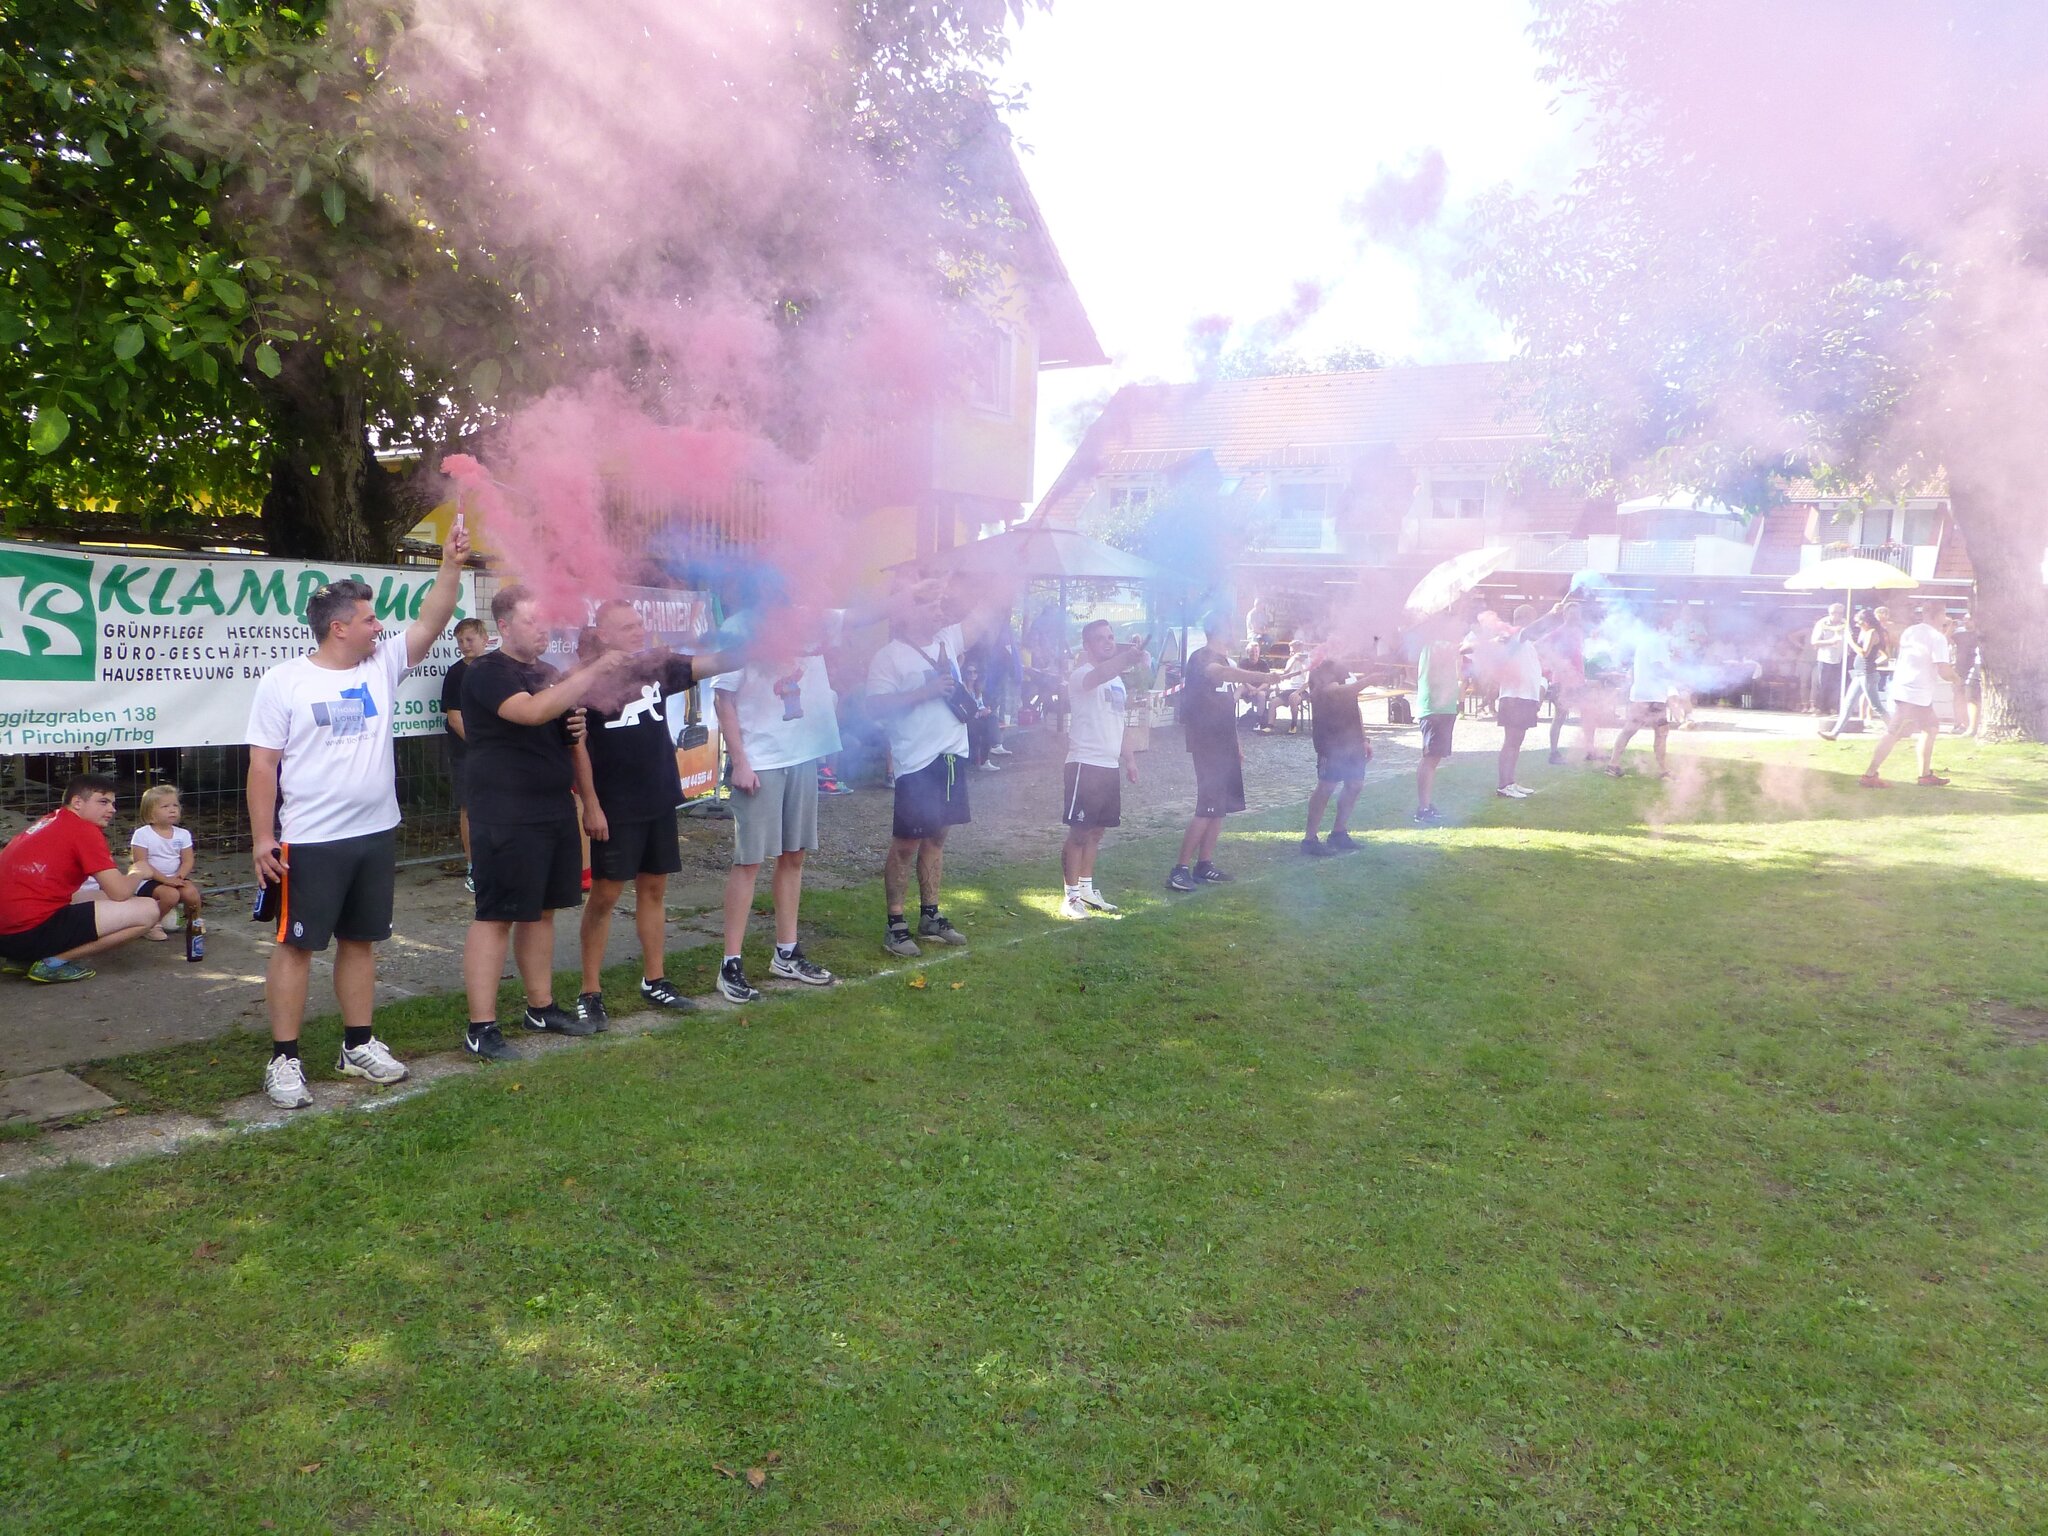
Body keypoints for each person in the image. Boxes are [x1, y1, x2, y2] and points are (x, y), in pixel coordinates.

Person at [245, 526, 471, 1108]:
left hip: (374, 833)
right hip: (311, 839)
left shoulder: (381, 664)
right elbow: (263, 765)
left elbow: (433, 620)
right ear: (338, 626)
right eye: (369, 620)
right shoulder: (285, 681)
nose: (380, 628)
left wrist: (449, 564)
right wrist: (263, 838)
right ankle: (285, 1059)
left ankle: (357, 1046)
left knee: (361, 941)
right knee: (297, 946)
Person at [459, 583, 635, 1061]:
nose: (543, 629)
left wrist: (571, 727)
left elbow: (562, 730)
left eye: (545, 620)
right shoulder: (487, 672)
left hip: (552, 807)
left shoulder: (549, 673)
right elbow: (531, 711)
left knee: (542, 911)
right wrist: (596, 668)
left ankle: (540, 1007)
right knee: (496, 915)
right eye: (533, 621)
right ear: (505, 626)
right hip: (504, 812)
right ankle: (481, 1026)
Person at [571, 598, 742, 1028]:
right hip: (615, 805)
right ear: (604, 633)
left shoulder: (655, 664)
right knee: (605, 897)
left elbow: (713, 662)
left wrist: (771, 642)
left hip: (658, 796)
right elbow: (578, 749)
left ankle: (655, 979)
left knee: (654, 891)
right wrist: (591, 804)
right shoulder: (585, 680)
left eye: (639, 623)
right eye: (627, 626)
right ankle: (590, 991)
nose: (638, 630)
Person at [712, 604, 843, 1002]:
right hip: (762, 759)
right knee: (749, 860)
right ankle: (729, 964)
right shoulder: (740, 625)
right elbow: (723, 698)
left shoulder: (815, 616)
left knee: (795, 855)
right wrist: (740, 761)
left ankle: (786, 952)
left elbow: (855, 622)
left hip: (801, 754)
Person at [865, 580, 997, 957]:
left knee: (938, 838)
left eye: (940, 605)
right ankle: (895, 926)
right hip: (916, 762)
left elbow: (981, 616)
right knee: (906, 844)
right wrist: (922, 693)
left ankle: (930, 916)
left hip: (951, 758)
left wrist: (1004, 571)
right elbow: (874, 707)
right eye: (929, 605)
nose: (938, 612)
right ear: (907, 611)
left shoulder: (947, 640)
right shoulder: (888, 656)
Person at [0, 774, 177, 983]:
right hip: (28, 931)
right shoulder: (84, 831)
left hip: (7, 935)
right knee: (148, 910)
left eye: (113, 803)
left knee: (101, 895)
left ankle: (20, 959)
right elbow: (119, 892)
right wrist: (137, 872)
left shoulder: (50, 820)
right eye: (103, 802)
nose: (112, 809)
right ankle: (52, 963)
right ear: (77, 802)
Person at [1169, 622, 1281, 888]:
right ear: (1219, 631)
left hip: (1224, 743)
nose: (1236, 634)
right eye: (1231, 628)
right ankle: (1178, 870)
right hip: (1207, 743)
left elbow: (1227, 707)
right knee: (1207, 806)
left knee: (1219, 808)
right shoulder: (1202, 658)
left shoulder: (1226, 659)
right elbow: (1220, 673)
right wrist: (1260, 677)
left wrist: (1236, 743)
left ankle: (1204, 864)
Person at [1058, 620, 1145, 917]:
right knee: (1079, 833)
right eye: (1100, 639)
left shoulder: (1117, 681)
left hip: (1109, 767)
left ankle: (1086, 889)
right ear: (1087, 645)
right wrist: (1128, 658)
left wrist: (1129, 760)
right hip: (1085, 763)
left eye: (1111, 637)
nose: (1108, 642)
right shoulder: (1082, 675)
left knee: (1097, 833)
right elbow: (1102, 673)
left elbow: (1120, 723)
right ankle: (1070, 898)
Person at [1861, 601, 1956, 789]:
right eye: (1944, 614)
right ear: (1939, 615)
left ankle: (1925, 775)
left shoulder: (1911, 631)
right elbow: (1944, 671)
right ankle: (1869, 775)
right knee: (1894, 732)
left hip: (1905, 687)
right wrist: (1958, 679)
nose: (1946, 618)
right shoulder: (1937, 638)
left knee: (1930, 728)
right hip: (1916, 693)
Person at [1302, 658, 1375, 854]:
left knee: (1355, 784)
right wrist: (1367, 681)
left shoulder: (1345, 669)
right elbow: (1334, 691)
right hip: (1330, 739)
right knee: (1326, 786)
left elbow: (1355, 706)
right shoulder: (1319, 668)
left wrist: (1364, 738)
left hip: (1352, 739)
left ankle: (1339, 833)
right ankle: (1310, 839)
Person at [1479, 605, 1549, 798]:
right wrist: (1550, 614)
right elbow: (1531, 630)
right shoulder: (1513, 635)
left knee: (1516, 742)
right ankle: (1503, 785)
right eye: (1532, 618)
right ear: (1525, 618)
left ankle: (1510, 782)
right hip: (1514, 698)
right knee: (1511, 742)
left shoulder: (1524, 642)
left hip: (1525, 698)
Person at [441, 616, 489, 892]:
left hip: (496, 752)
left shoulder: (495, 668)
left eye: (469, 639)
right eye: (460, 641)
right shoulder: (457, 673)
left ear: (485, 639)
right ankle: (474, 866)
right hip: (467, 753)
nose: (464, 645)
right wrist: (482, 746)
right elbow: (455, 719)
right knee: (469, 807)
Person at [1606, 614, 1678, 778]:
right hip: (1652, 696)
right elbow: (1657, 668)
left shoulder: (1646, 641)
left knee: (1629, 730)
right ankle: (1663, 771)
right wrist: (1677, 675)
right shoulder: (1656, 642)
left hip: (1641, 694)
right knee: (1661, 732)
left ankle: (1613, 764)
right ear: (1661, 625)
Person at [128, 783, 202, 942]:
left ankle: (193, 921)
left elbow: (188, 860)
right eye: (165, 806)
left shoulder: (182, 834)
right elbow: (141, 864)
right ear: (150, 814)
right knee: (170, 895)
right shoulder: (142, 834)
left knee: (192, 893)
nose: (173, 809)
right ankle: (151, 924)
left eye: (175, 805)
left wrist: (179, 877)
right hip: (149, 880)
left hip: (175, 878)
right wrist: (166, 880)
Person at [1411, 614, 1464, 825]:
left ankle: (1426, 805)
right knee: (1430, 758)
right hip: (1435, 709)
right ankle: (1423, 808)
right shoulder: (1437, 646)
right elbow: (1464, 647)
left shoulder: (1441, 647)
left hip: (1443, 708)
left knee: (1434, 758)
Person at [1820, 608, 1891, 739]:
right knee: (1848, 704)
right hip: (1860, 673)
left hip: (1867, 674)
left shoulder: (1872, 633)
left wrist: (1850, 642)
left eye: (1859, 622)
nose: (1858, 625)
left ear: (1867, 622)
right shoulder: (1866, 632)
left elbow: (1865, 653)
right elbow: (1884, 655)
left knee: (1876, 705)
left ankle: (1895, 729)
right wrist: (1875, 663)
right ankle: (1835, 733)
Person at [1538, 600, 1591, 765]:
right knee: (1560, 716)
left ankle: (1590, 750)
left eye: (1577, 612)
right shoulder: (1558, 632)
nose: (1574, 615)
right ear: (1564, 614)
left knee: (1589, 713)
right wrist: (1554, 664)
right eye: (1571, 612)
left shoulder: (1579, 633)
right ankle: (1553, 753)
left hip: (1578, 681)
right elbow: (1540, 645)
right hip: (1562, 681)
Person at [1949, 609, 1982, 736]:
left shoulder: (1979, 635)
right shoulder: (1959, 634)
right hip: (1960, 669)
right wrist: (1951, 627)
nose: (1966, 622)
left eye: (1968, 619)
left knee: (1971, 697)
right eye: (1965, 619)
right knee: (1958, 697)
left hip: (1973, 668)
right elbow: (1945, 640)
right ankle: (1960, 723)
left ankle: (1970, 724)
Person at [1809, 604, 1846, 715]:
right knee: (1823, 684)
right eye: (1833, 613)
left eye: (1839, 613)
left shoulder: (1845, 623)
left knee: (1837, 685)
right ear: (1829, 613)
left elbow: (1849, 638)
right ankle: (1820, 708)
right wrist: (1830, 642)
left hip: (1840, 658)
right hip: (1825, 658)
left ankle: (1833, 708)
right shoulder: (1822, 623)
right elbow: (1814, 642)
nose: (1836, 616)